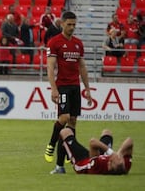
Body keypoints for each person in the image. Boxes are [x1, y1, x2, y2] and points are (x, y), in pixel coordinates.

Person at [44, 11, 92, 174]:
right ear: (62, 23)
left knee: (72, 122)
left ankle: (63, 161)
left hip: (75, 86)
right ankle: (51, 144)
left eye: (74, 24)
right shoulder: (54, 42)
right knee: (63, 118)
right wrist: (54, 88)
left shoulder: (78, 44)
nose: (72, 27)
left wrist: (87, 88)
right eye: (69, 24)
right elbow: (50, 67)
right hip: (62, 85)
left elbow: (82, 67)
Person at [60, 128, 133, 175]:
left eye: (111, 161)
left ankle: (59, 166)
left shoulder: (97, 167)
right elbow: (130, 141)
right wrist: (119, 153)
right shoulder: (125, 165)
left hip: (82, 161)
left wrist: (111, 153)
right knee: (107, 132)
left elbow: (92, 142)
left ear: (109, 166)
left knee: (65, 132)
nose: (110, 159)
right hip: (99, 156)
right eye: (120, 159)